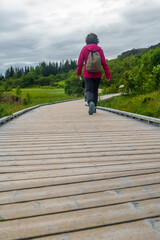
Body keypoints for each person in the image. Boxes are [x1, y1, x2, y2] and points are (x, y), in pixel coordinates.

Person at [77, 33, 111, 115]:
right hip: (98, 74)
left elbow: (80, 62)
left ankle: (90, 102)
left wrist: (79, 73)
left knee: (88, 89)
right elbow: (104, 63)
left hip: (87, 74)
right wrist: (108, 75)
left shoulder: (84, 49)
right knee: (95, 90)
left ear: (87, 40)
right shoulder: (99, 49)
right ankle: (94, 107)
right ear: (96, 40)